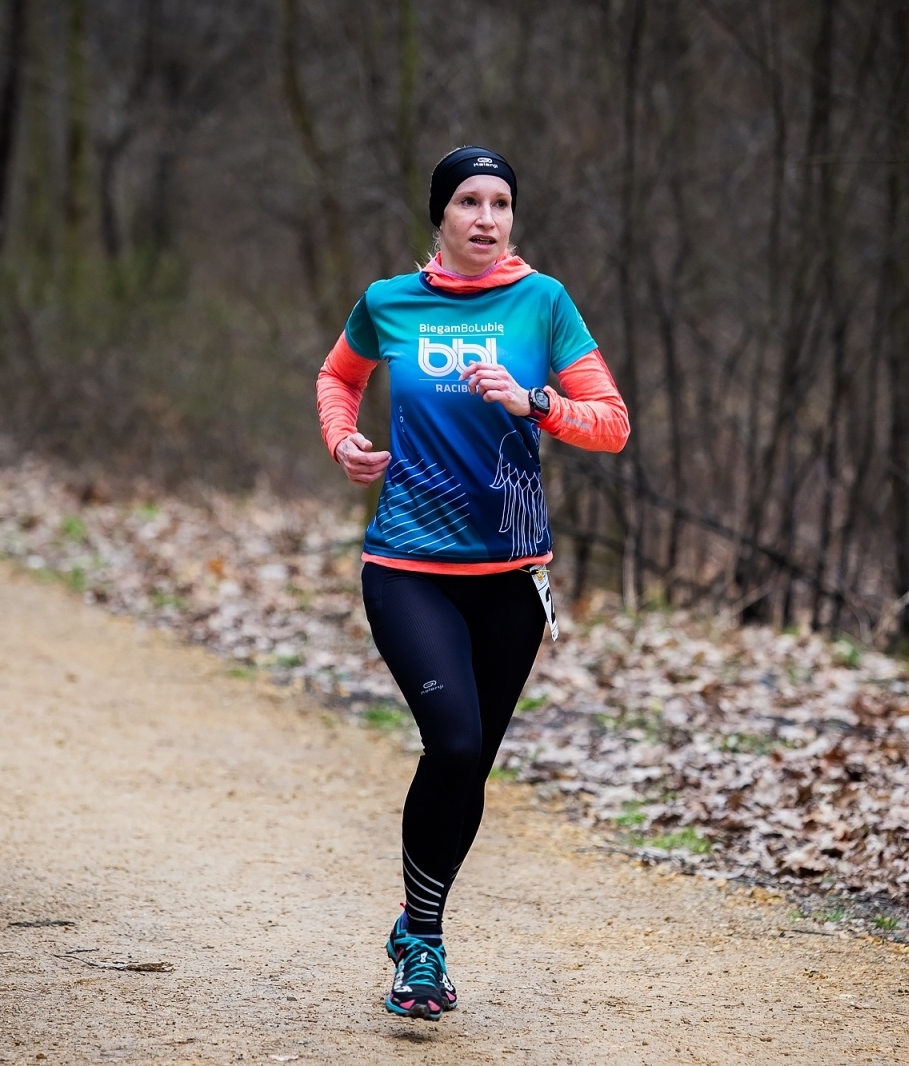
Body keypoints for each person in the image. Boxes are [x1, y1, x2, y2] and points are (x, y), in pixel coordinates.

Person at [315, 145, 629, 1021]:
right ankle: (425, 941)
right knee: (452, 744)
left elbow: (611, 424)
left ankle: (418, 932)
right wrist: (343, 442)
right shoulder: (388, 302)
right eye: (469, 203)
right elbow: (338, 377)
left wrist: (537, 404)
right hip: (408, 567)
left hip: (510, 580)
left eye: (500, 203)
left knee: (472, 768)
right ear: (440, 217)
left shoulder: (545, 303)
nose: (486, 219)